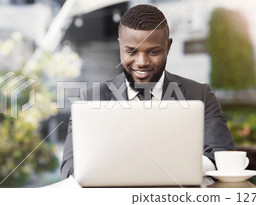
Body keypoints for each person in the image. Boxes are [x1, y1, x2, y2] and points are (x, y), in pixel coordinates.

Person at [60, 4, 235, 179]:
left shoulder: (200, 95)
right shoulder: (90, 100)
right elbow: (69, 168)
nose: (142, 62)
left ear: (168, 46)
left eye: (153, 51)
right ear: (120, 45)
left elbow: (222, 157)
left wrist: (183, 167)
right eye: (131, 51)